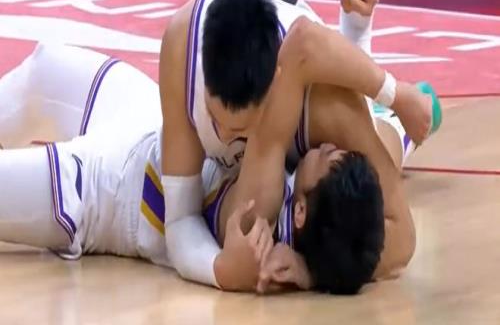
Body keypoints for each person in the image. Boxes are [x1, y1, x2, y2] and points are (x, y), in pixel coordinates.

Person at [0, 43, 433, 294]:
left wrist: (394, 93)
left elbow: (301, 52)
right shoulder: (330, 225)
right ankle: (408, 124)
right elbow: (384, 237)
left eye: (331, 158)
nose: (330, 147)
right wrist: (313, 273)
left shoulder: (258, 217)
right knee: (44, 64)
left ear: (301, 211)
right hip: (152, 123)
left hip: (107, 194)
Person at [159, 0, 436, 287]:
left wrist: (311, 270)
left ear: (276, 87)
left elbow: (402, 241)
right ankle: (363, 57)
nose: (225, 136)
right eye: (214, 120)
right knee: (245, 226)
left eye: (241, 129)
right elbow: (179, 219)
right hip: (294, 77)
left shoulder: (326, 108)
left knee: (360, 174)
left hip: (310, 110)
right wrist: (223, 272)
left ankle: (376, 89)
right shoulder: (180, 48)